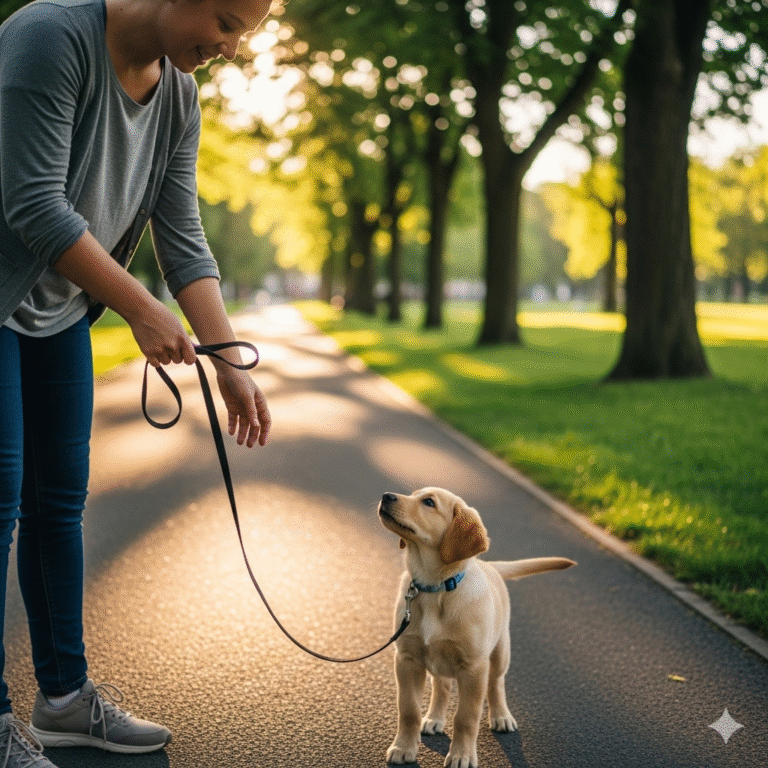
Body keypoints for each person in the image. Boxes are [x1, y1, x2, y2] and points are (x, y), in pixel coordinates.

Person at [0, 0, 273, 764]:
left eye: (242, 33)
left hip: (52, 315)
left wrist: (227, 363)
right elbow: (34, 206)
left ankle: (62, 700)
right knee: (1, 496)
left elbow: (181, 233)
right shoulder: (49, 37)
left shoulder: (180, 95)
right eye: (223, 20)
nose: (227, 46)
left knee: (59, 504)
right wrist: (142, 309)